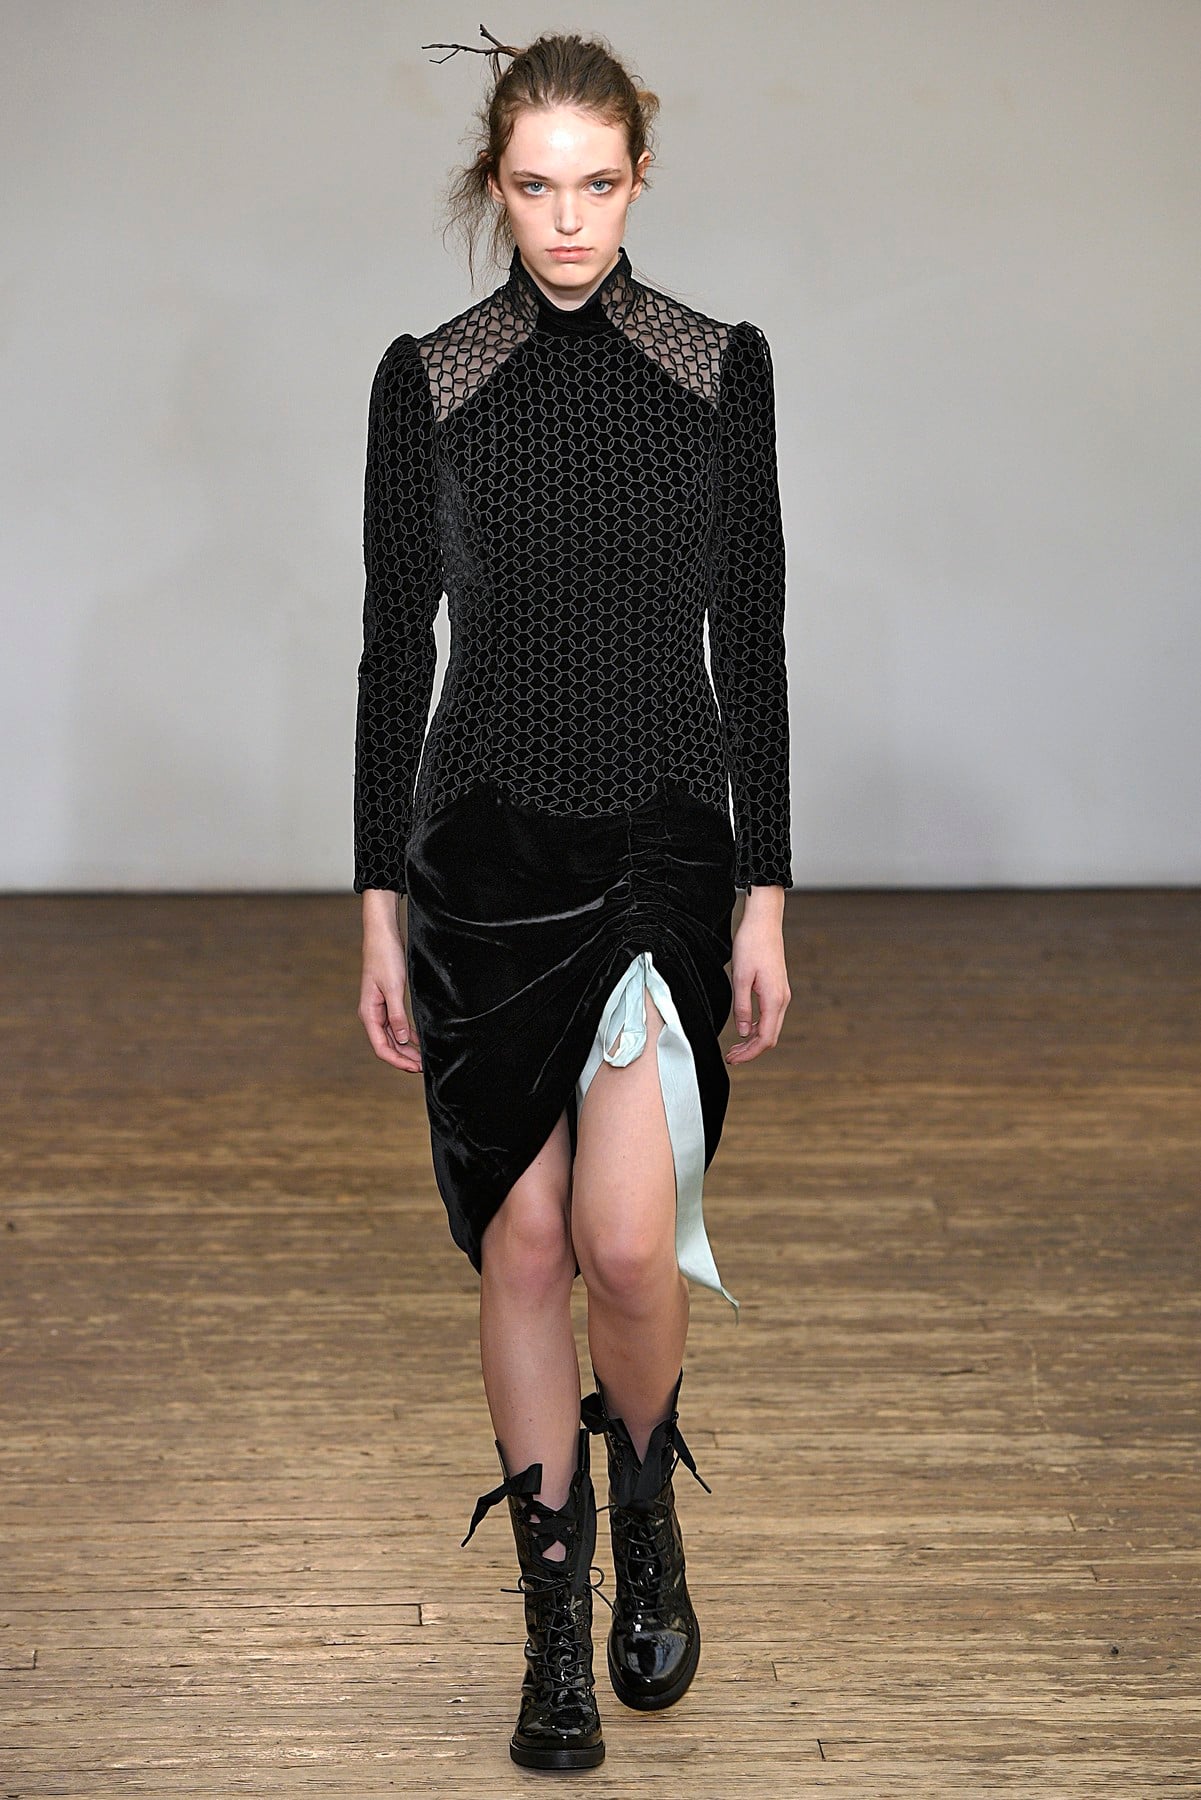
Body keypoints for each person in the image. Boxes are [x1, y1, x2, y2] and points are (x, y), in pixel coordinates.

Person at [354, 25, 792, 1773]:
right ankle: (551, 1630)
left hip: (661, 846)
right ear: (495, 184)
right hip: (478, 857)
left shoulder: (717, 368)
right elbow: (396, 651)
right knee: (523, 1242)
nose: (564, 220)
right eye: (533, 187)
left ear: (638, 180)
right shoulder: (428, 380)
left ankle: (647, 1508)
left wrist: (765, 893)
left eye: (594, 184)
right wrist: (373, 904)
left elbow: (751, 635)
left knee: (623, 1240)